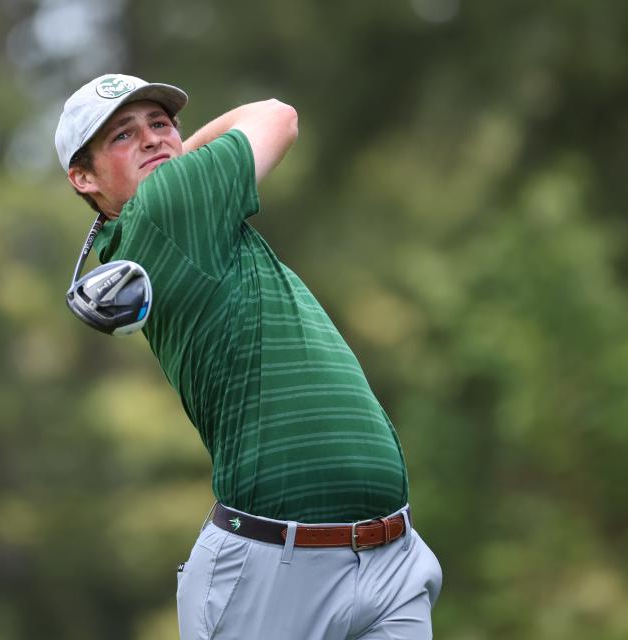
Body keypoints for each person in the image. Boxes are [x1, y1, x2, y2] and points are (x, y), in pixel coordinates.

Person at [54, 73, 443, 639]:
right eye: (122, 135)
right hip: (274, 571)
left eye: (160, 125)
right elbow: (276, 115)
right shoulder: (168, 206)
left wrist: (175, 154)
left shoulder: (182, 216)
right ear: (83, 178)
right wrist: (182, 156)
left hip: (387, 557)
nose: (152, 140)